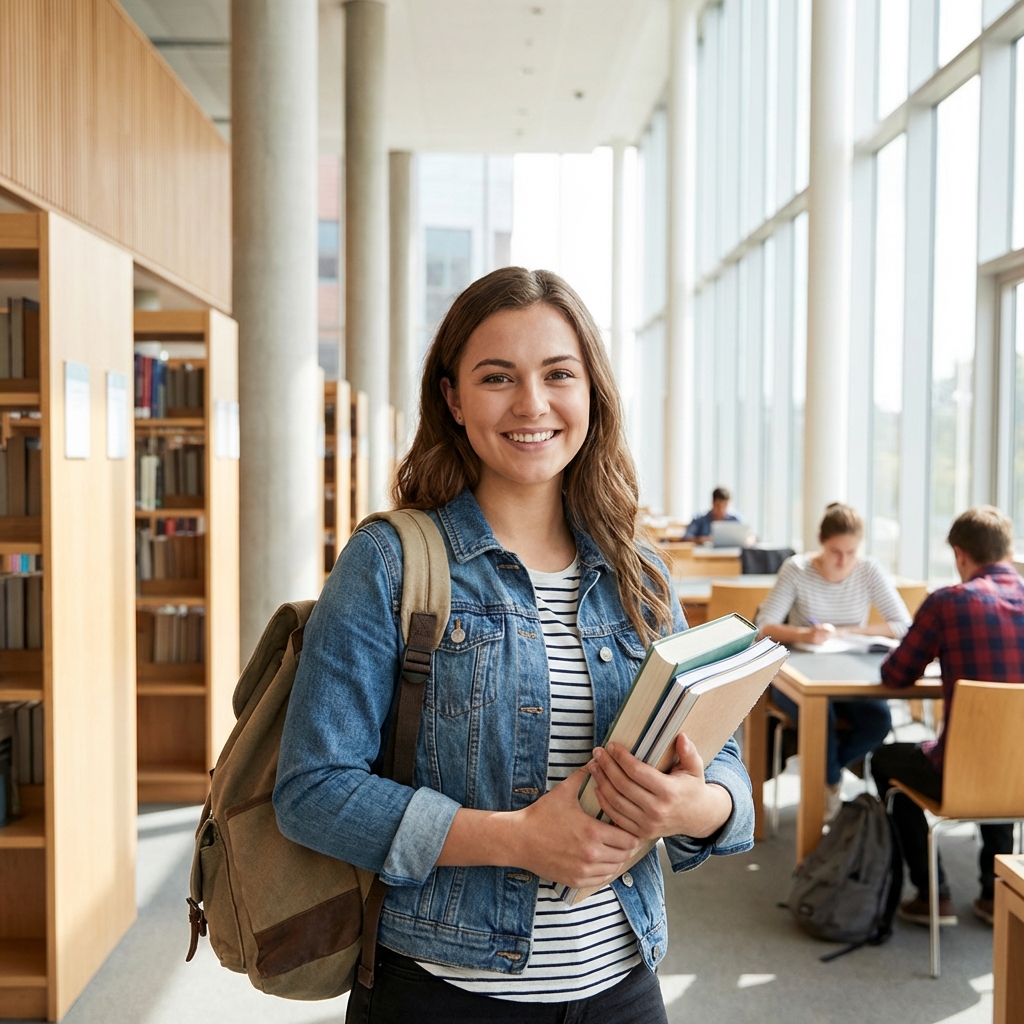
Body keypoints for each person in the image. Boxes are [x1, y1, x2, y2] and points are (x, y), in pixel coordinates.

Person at [274, 267, 755, 1024]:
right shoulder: (390, 562)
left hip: (623, 986)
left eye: (558, 374)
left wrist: (697, 806)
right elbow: (313, 790)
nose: (532, 404)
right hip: (444, 994)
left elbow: (719, 756)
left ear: (591, 391)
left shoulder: (640, 571)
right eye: (497, 377)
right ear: (453, 399)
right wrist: (518, 839)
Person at [871, 506, 1023, 928]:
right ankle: (995, 894)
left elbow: (896, 675)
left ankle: (932, 894)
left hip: (961, 772)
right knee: (1005, 753)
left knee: (884, 760)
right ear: (1008, 551)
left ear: (959, 555)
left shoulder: (949, 602)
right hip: (1019, 774)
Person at [755, 503, 911, 820]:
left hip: (850, 674)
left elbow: (904, 626)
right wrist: (805, 634)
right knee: (820, 716)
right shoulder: (797, 569)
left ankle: (828, 772)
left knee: (879, 722)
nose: (843, 561)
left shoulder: (868, 570)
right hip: (798, 674)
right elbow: (763, 628)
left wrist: (847, 631)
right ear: (821, 544)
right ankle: (828, 786)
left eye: (851, 552)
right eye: (835, 552)